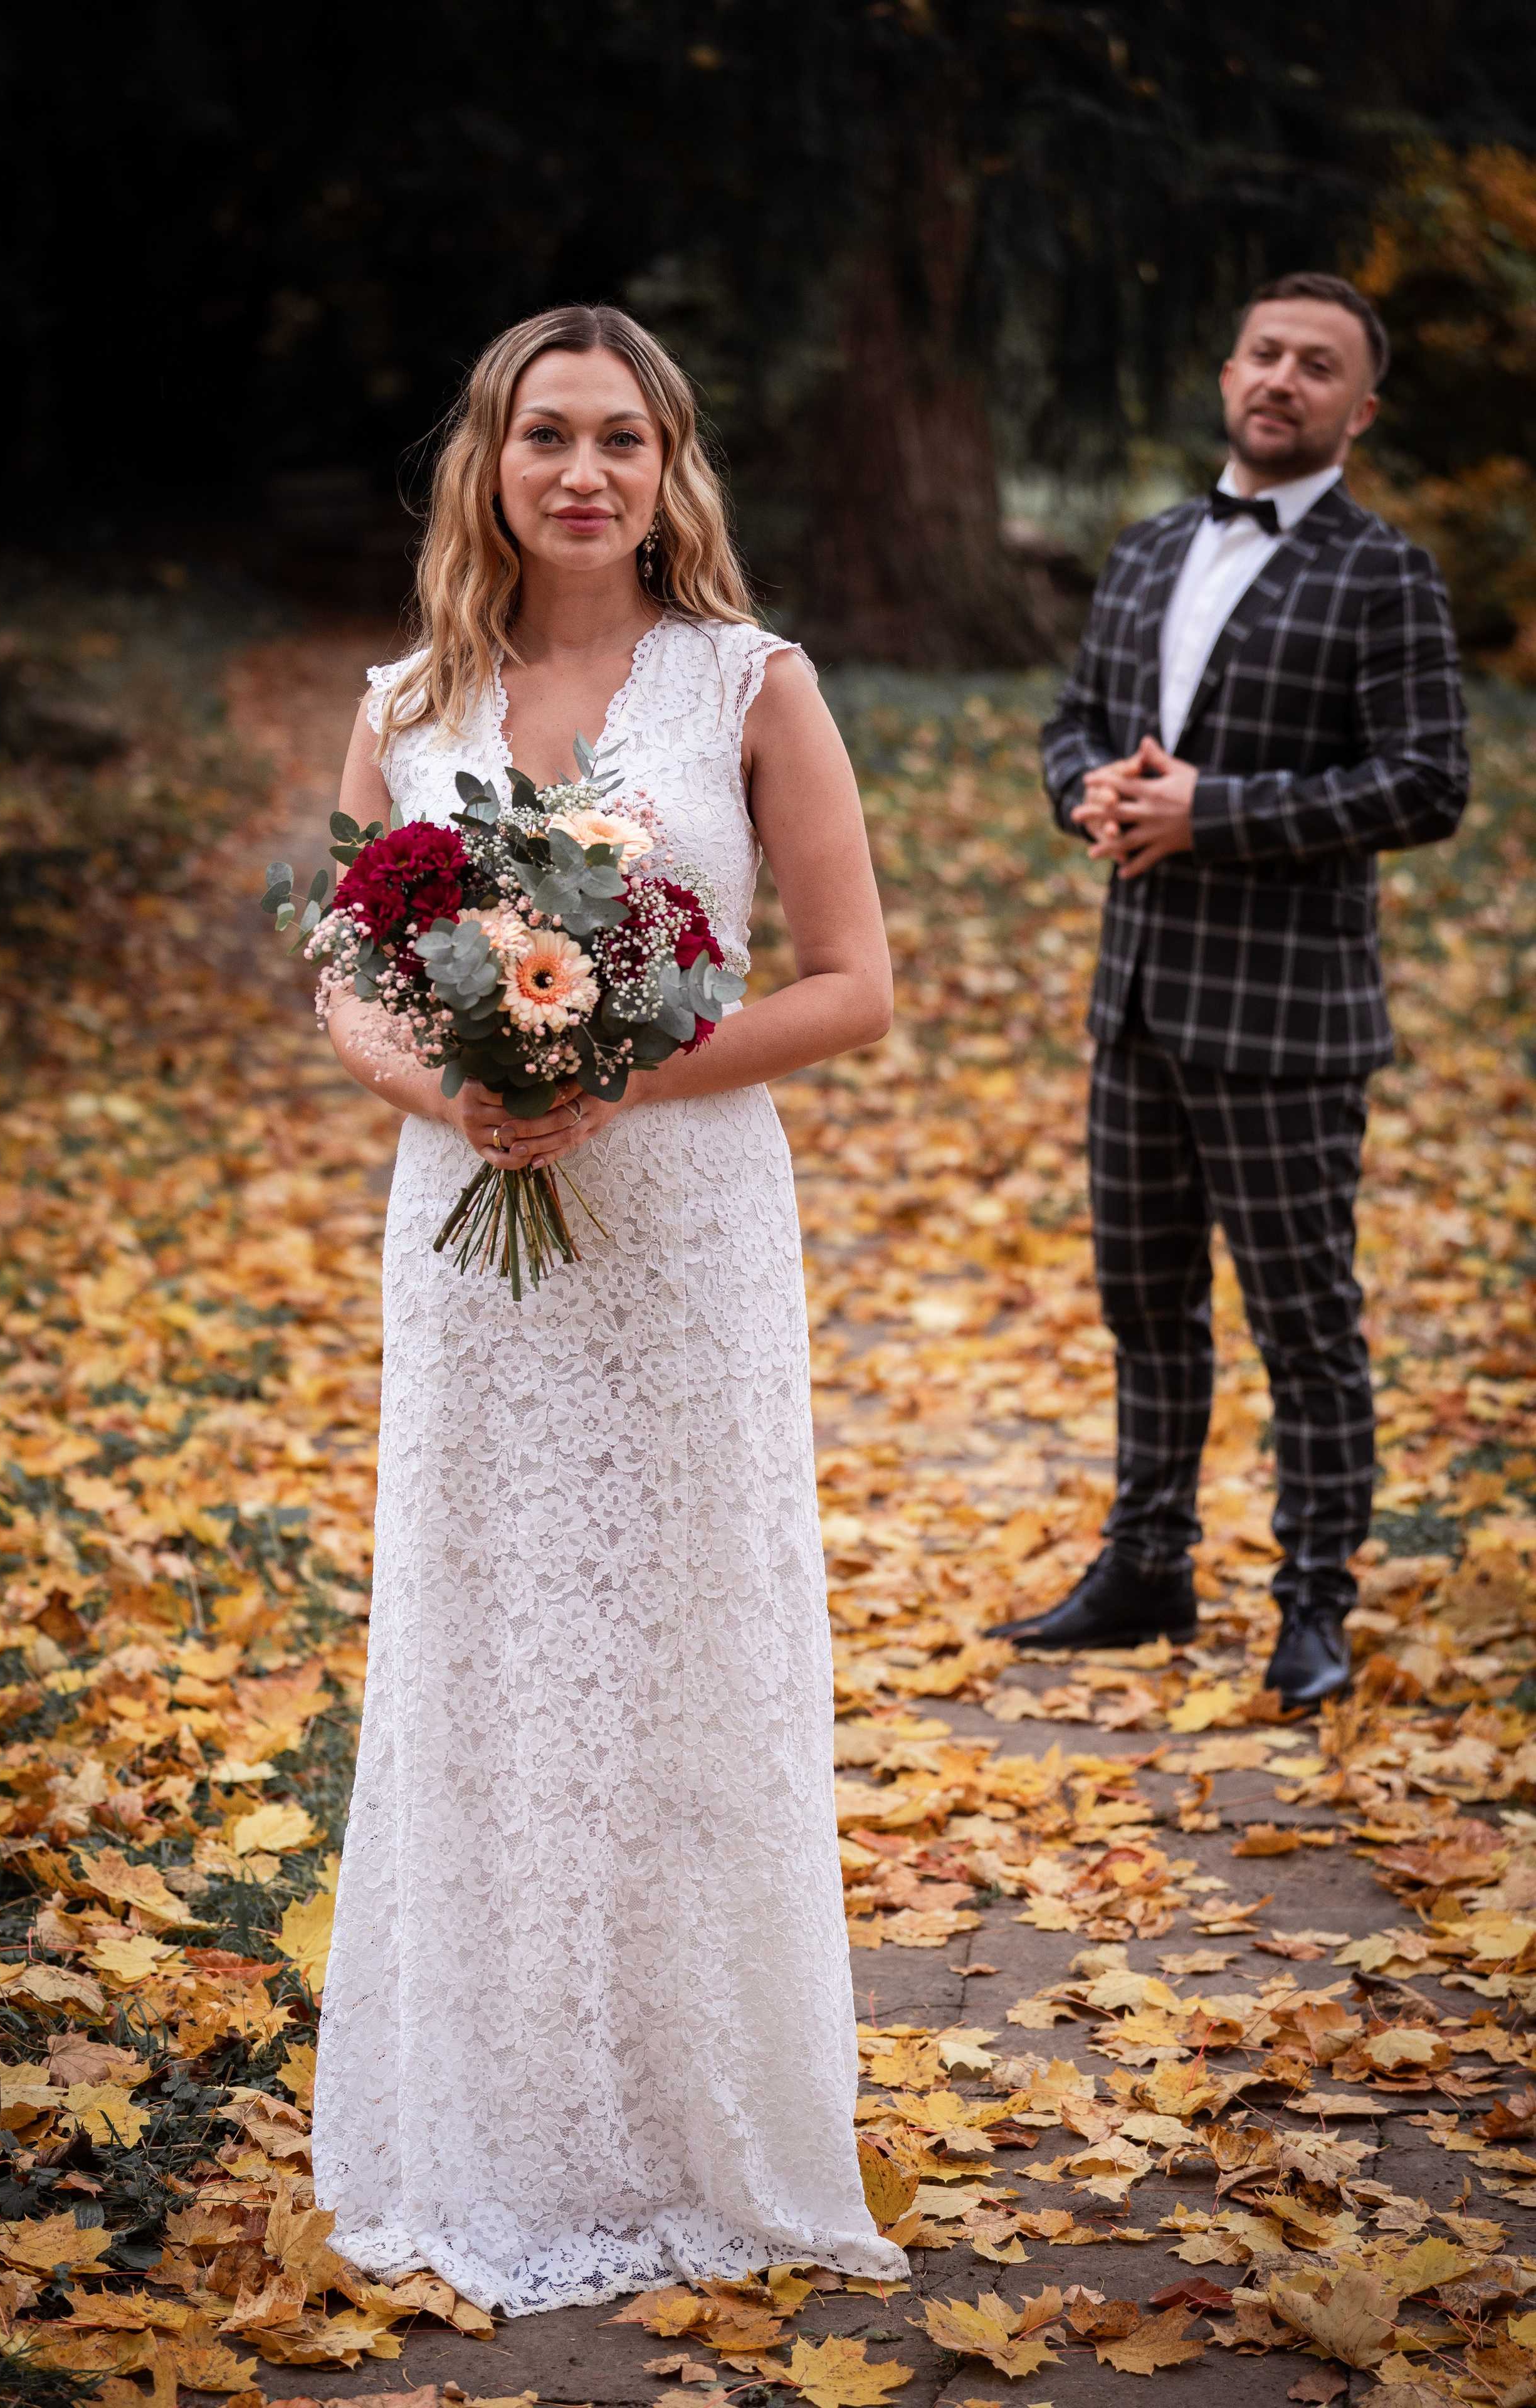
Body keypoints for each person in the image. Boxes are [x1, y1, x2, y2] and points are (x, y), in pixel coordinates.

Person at [309, 305, 903, 2312]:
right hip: (471, 1245)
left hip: (691, 1238)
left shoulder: (754, 682)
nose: (585, 473)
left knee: (681, 1653)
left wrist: (614, 1075)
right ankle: (494, 2124)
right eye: (547, 436)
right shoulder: (407, 702)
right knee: (489, 1650)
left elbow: (850, 983)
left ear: (671, 471)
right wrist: (452, 1087)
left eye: (623, 441)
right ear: (490, 462)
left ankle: (694, 2127)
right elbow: (354, 975)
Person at [995, 272, 1469, 1709]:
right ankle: (1146, 1567)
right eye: (1264, 352)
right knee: (1144, 1307)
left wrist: (1217, 813)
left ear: (1355, 409)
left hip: (1284, 1023)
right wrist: (1083, 787)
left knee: (1301, 1324)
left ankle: (1311, 1602)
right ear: (1224, 373)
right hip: (1134, 1001)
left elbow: (1426, 782)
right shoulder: (1143, 550)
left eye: (1316, 366)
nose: (1282, 378)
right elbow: (1074, 718)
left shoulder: (1383, 572)